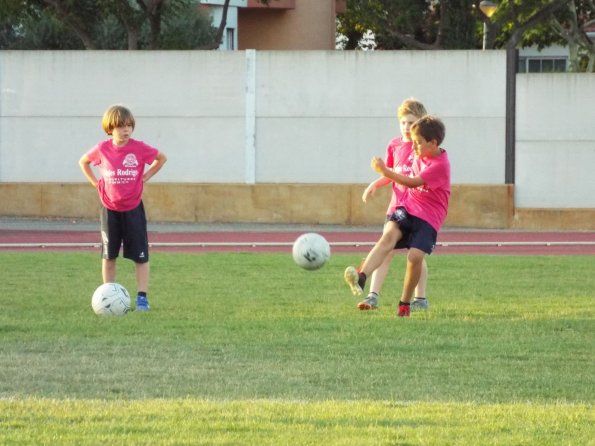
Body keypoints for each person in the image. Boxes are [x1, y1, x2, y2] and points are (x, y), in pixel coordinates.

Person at [344, 115, 450, 317]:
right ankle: (361, 276)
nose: (414, 147)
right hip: (407, 206)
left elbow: (412, 182)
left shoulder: (440, 164)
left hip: (429, 216)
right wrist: (379, 180)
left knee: (415, 256)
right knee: (388, 236)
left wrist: (384, 171)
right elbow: (402, 173)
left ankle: (405, 303)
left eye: (418, 143)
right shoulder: (421, 151)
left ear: (433, 143)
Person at [79, 105, 167, 312]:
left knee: (140, 255)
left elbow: (161, 158)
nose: (125, 130)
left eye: (129, 126)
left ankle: (142, 298)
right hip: (109, 209)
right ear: (110, 129)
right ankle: (107, 296)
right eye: (120, 126)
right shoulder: (102, 149)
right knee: (109, 255)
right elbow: (83, 162)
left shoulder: (140, 148)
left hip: (133, 208)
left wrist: (145, 177)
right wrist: (95, 183)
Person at [358, 98, 429, 312]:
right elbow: (391, 173)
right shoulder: (395, 145)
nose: (406, 127)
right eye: (403, 123)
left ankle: (420, 298)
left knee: (416, 253)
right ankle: (372, 296)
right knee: (386, 248)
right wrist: (376, 183)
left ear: (421, 123)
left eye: (411, 122)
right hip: (396, 207)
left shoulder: (423, 148)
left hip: (418, 209)